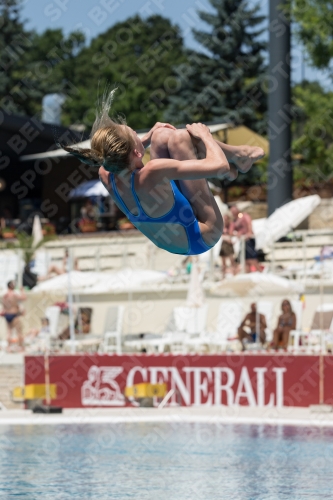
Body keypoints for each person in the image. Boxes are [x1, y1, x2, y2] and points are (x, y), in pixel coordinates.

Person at [61, 88, 264, 256]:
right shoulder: (153, 172)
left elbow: (122, 156)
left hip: (171, 239)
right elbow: (220, 165)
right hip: (202, 236)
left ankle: (239, 158)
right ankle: (239, 155)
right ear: (136, 151)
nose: (141, 138)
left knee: (162, 135)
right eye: (136, 135)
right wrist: (205, 136)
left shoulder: (106, 174)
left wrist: (150, 136)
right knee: (181, 138)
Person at [230, 206, 260, 273]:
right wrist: (237, 234)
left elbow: (249, 223)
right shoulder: (235, 221)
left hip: (248, 239)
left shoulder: (244, 216)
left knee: (252, 259)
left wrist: (248, 233)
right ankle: (248, 273)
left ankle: (260, 272)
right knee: (245, 259)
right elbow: (231, 231)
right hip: (243, 240)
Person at [1, 281, 26, 350]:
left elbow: (4, 307)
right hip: (14, 314)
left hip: (7, 315)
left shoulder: (4, 295)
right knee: (19, 330)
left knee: (9, 331)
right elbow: (24, 298)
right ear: (11, 285)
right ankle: (21, 346)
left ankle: (8, 347)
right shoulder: (14, 294)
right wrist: (22, 290)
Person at [219, 211, 237, 278]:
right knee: (223, 262)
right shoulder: (223, 226)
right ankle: (223, 276)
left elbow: (230, 233)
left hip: (228, 244)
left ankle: (234, 275)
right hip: (224, 243)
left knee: (231, 260)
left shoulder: (231, 225)